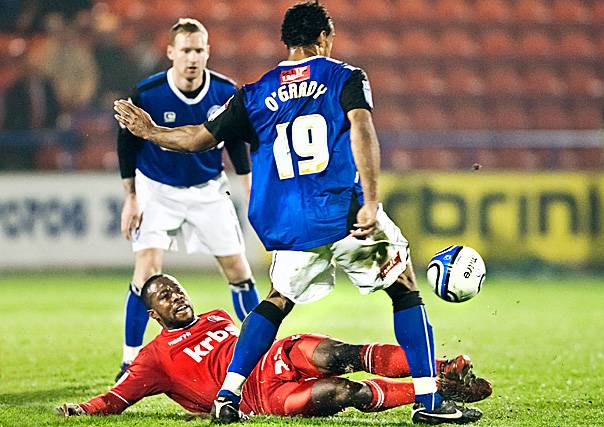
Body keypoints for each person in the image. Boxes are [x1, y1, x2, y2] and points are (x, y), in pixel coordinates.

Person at [114, 2, 481, 424]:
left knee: (276, 302)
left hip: (289, 225)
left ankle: (228, 396)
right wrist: (372, 201)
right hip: (341, 214)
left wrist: (150, 131)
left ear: (286, 42)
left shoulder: (253, 93)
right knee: (404, 289)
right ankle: (430, 402)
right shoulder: (345, 77)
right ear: (325, 38)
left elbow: (198, 137)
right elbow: (361, 130)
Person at [56, 274, 491, 419]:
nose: (177, 296)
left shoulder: (215, 317)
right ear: (154, 314)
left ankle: (442, 368)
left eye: (177, 288)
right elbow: (117, 397)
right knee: (344, 392)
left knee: (345, 353)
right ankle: (436, 392)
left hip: (278, 355)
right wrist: (84, 410)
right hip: (264, 397)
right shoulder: (155, 358)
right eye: (165, 296)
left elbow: (251, 337)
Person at [114, 18, 259, 381]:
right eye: (185, 50)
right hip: (156, 188)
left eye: (198, 50)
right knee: (146, 271)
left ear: (207, 52)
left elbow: (239, 141)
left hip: (209, 189)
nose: (192, 57)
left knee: (239, 271)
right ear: (170, 53)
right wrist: (130, 196)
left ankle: (259, 353)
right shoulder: (147, 92)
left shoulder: (226, 91)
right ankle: (130, 361)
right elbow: (127, 142)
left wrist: (248, 185)